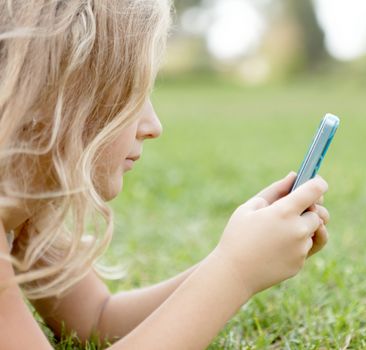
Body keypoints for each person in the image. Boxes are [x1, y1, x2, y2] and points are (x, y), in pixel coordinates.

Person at [0, 1, 331, 349]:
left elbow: (98, 320)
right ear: (48, 95)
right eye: (132, 94)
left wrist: (245, 255)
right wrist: (235, 271)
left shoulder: (25, 211)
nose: (154, 126)